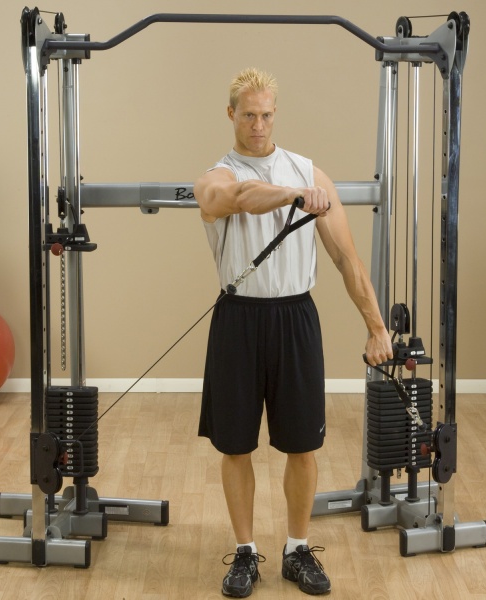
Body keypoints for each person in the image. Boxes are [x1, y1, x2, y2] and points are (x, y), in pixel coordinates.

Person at [194, 67, 393, 598]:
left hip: (295, 318)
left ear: (275, 114)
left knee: (302, 446)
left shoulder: (309, 171)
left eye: (266, 115)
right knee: (235, 446)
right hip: (238, 320)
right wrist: (293, 195)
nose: (258, 125)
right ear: (231, 114)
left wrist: (377, 328)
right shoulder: (216, 175)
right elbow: (235, 198)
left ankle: (297, 549)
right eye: (248, 115)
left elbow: (347, 260)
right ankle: (244, 553)